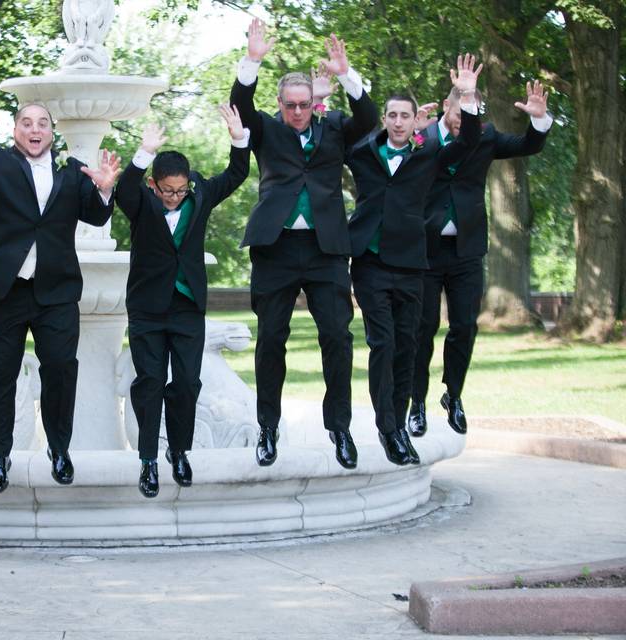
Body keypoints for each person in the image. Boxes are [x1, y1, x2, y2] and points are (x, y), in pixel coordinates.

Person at [0, 98, 120, 495]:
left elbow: (95, 215)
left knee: (60, 368)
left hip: (55, 291)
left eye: (42, 123)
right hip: (3, 289)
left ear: (52, 132)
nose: (35, 129)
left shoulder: (73, 173)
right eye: (26, 122)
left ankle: (59, 450)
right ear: (15, 131)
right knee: (1, 372)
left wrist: (106, 191)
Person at [230, 18, 378, 470]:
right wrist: (251, 61)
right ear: (280, 105)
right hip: (274, 249)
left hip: (325, 249)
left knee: (338, 336)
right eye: (291, 105)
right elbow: (241, 104)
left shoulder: (334, 128)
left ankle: (340, 428)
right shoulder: (266, 130)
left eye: (304, 105)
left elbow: (368, 119)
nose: (298, 112)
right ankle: (268, 429)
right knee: (271, 340)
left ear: (315, 103)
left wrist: (346, 75)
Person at [345, 55, 483, 465]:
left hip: (411, 265)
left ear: (414, 119)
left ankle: (401, 422)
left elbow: (469, 141)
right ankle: (387, 427)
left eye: (406, 115)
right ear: (385, 119)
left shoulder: (429, 155)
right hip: (369, 264)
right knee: (382, 343)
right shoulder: (363, 152)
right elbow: (340, 133)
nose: (399, 121)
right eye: (392, 115)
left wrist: (468, 95)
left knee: (407, 344)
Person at [115, 106, 250, 498]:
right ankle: (147, 460)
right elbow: (124, 189)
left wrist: (237, 138)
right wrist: (143, 152)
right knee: (151, 381)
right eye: (167, 191)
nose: (174, 197)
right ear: (155, 186)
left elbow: (236, 175)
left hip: (187, 307)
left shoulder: (201, 195)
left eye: (180, 190)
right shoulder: (141, 202)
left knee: (187, 383)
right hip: (147, 309)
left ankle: (179, 451)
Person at [407, 80, 552, 437]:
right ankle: (416, 402)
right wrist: (409, 136)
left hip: (467, 251)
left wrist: (539, 120)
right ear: (446, 106)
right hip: (424, 251)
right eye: (458, 114)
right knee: (420, 330)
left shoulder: (485, 136)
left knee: (464, 326)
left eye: (469, 114)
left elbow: (528, 145)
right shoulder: (422, 135)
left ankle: (453, 395)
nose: (462, 122)